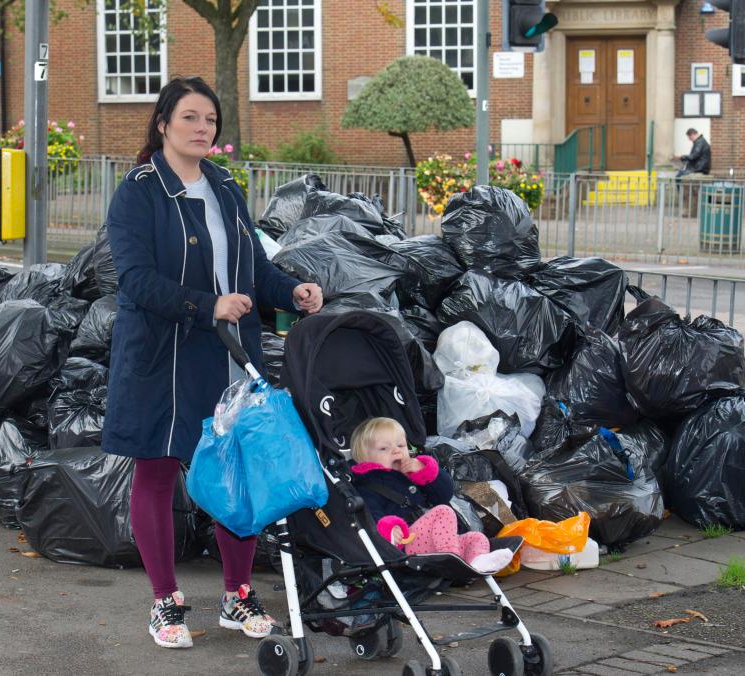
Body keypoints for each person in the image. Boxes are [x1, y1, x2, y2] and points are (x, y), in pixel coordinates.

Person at [99, 76, 324, 650]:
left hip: (231, 355)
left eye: (210, 121)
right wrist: (206, 305)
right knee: (156, 472)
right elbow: (135, 280)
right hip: (164, 357)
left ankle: (237, 595)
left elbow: (249, 266)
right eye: (191, 118)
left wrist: (290, 290)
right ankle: (165, 603)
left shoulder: (224, 186)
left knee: (240, 470)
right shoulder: (139, 192)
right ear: (163, 124)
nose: (203, 130)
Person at [348, 417, 514, 574]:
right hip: (408, 543)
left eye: (401, 445)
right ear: (364, 458)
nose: (396, 451)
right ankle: (452, 560)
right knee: (443, 512)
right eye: (384, 448)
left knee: (477, 538)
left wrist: (425, 472)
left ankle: (477, 562)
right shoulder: (368, 485)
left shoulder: (411, 473)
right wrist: (390, 529)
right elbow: (370, 516)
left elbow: (444, 494)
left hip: (437, 538)